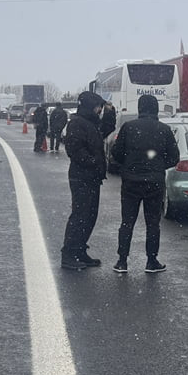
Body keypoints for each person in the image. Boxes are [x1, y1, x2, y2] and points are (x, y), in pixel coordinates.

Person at [109, 94, 180, 274]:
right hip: (154, 182)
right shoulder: (164, 130)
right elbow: (174, 157)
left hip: (131, 181)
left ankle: (122, 261)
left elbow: (116, 152)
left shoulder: (128, 127)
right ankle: (151, 260)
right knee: (153, 223)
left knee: (127, 222)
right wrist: (158, 166)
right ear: (155, 108)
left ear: (140, 108)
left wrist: (128, 164)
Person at [60, 91, 107, 270]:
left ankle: (80, 250)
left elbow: (107, 129)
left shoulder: (91, 123)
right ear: (90, 106)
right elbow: (74, 149)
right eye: (98, 106)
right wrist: (93, 161)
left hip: (92, 177)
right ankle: (69, 253)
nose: (100, 110)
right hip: (82, 177)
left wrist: (110, 112)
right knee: (80, 215)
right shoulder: (77, 123)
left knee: (90, 216)